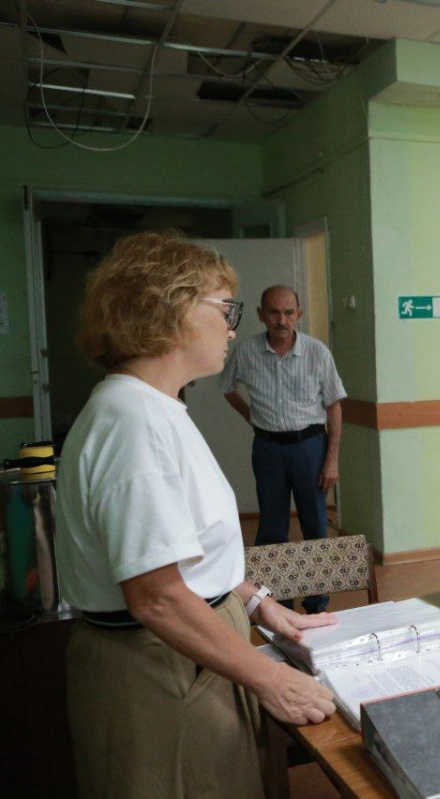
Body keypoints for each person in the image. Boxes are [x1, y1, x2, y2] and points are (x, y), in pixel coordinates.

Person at [55, 231, 337, 799]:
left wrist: (257, 603)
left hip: (190, 649)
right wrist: (271, 677)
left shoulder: (157, 408)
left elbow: (186, 553)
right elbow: (157, 597)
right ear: (172, 309)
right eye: (226, 308)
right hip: (158, 662)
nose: (233, 327)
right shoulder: (132, 422)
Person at [222, 285, 346, 613]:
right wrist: (252, 417)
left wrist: (331, 460)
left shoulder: (317, 353)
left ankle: (317, 603)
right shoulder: (246, 352)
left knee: (315, 526)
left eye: (289, 312)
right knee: (272, 528)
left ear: (299, 315)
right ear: (261, 314)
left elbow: (334, 406)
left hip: (310, 447)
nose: (282, 320)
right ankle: (278, 599)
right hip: (268, 450)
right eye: (274, 312)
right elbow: (228, 388)